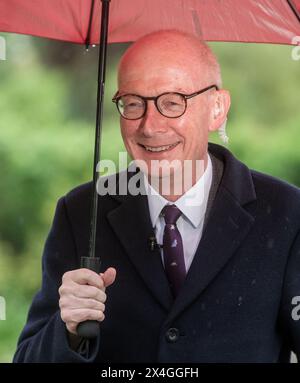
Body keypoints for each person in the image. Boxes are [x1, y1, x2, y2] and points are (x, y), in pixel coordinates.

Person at [13, 30, 300, 363]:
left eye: (172, 103)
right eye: (133, 103)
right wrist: (69, 332)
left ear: (217, 108)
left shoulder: (286, 214)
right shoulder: (79, 214)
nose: (149, 126)